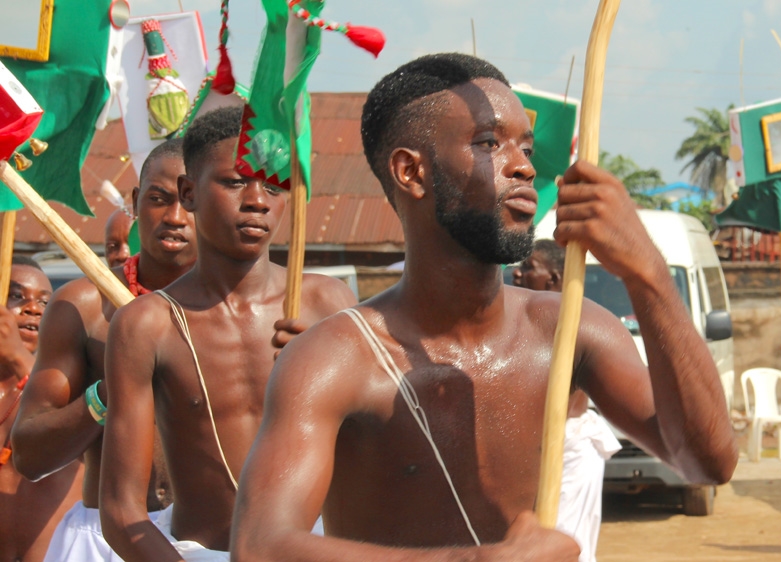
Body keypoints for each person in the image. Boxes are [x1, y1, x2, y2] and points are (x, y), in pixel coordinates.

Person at [229, 52, 737, 561]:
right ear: (412, 172)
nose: (524, 167)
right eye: (489, 143)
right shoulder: (334, 357)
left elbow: (707, 463)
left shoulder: (567, 330)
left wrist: (647, 271)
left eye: (527, 146)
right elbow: (259, 547)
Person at [98, 106, 357, 562]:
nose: (258, 199)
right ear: (189, 192)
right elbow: (121, 512)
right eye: (236, 181)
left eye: (274, 184)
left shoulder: (329, 306)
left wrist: (329, 375)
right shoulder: (148, 324)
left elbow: (386, 456)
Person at [11, 139, 195, 562]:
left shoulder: (248, 310)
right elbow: (30, 455)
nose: (175, 217)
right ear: (135, 202)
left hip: (212, 539)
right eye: (158, 199)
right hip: (102, 541)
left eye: (190, 201)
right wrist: (111, 390)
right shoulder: (82, 307)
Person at [512, 239, 621, 562]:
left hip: (569, 450)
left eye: (529, 268)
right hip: (532, 450)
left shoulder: (577, 323)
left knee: (565, 546)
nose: (517, 275)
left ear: (556, 278)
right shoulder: (521, 318)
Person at [0, 256, 84, 562]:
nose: (33, 308)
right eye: (16, 296)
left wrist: (18, 357)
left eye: (45, 302)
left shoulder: (72, 384)